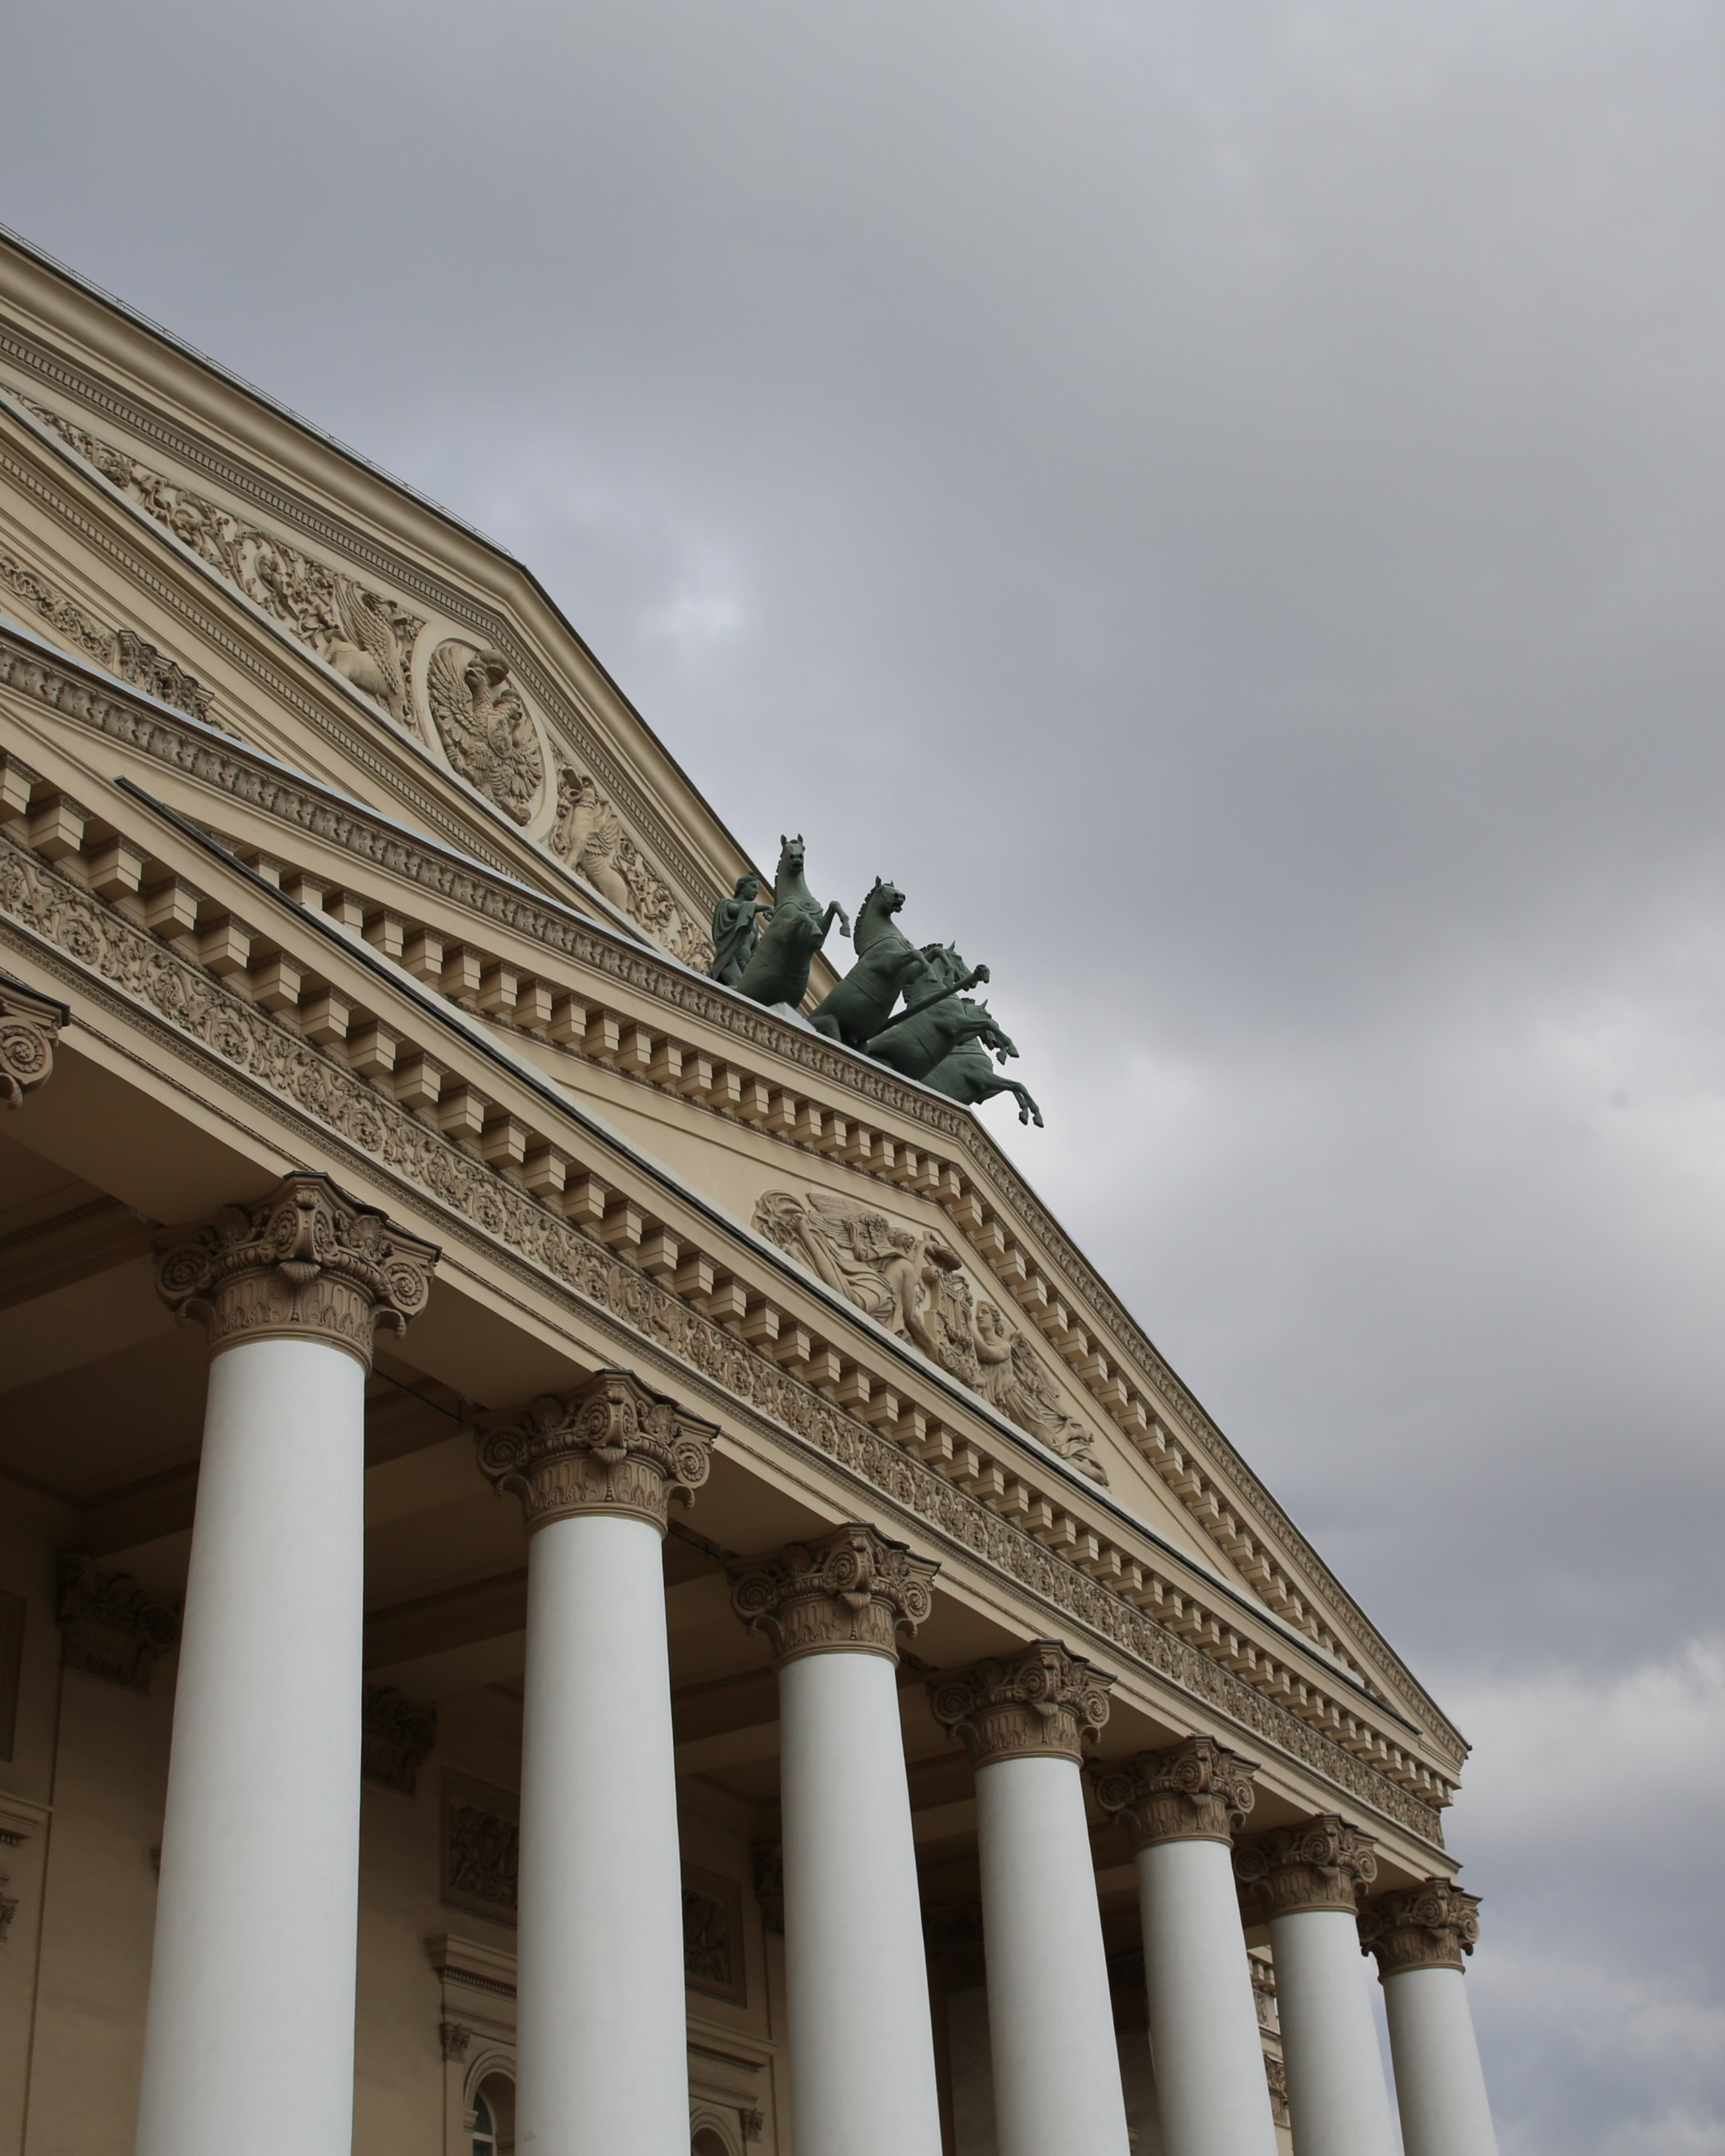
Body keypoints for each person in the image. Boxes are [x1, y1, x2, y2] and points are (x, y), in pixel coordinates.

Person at [708, 875, 773, 987]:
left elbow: (756, 949)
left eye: (757, 890)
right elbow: (740, 909)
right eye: (753, 887)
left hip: (745, 967)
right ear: (742, 888)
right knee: (738, 988)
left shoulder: (755, 923)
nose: (756, 892)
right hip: (729, 959)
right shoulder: (725, 905)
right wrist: (767, 907)